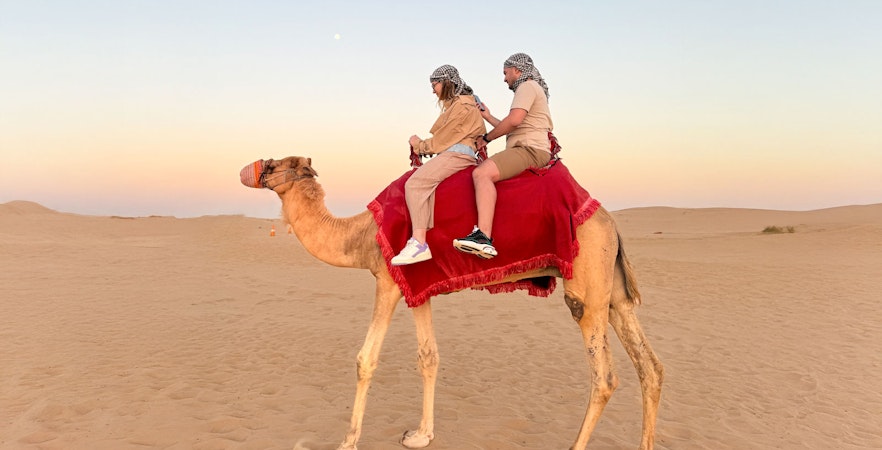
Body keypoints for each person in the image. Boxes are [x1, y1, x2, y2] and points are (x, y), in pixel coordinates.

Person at [453, 53, 554, 259]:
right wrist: (488, 116)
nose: (504, 78)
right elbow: (514, 128)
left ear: (517, 70)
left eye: (506, 73)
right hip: (526, 145)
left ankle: (483, 236)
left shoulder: (526, 86)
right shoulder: (532, 88)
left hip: (529, 149)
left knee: (482, 174)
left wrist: (487, 139)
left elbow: (514, 120)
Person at [390, 65, 487, 266]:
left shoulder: (462, 106)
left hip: (457, 154)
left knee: (415, 184)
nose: (433, 89)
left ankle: (419, 243)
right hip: (456, 152)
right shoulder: (461, 104)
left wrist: (418, 145)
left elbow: (443, 140)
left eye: (435, 84)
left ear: (446, 82)